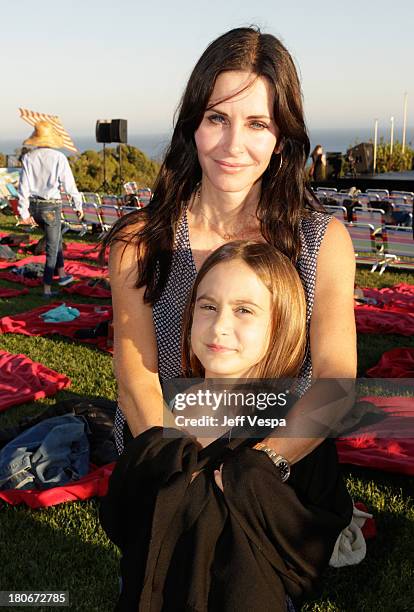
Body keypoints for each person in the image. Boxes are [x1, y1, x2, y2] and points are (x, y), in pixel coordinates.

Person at [102, 24, 356, 605]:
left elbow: (336, 380)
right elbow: (136, 376)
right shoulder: (142, 241)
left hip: (276, 467)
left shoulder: (322, 241)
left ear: (283, 137)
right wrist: (187, 471)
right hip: (168, 453)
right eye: (217, 118)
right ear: (192, 123)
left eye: (257, 123)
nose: (231, 144)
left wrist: (255, 470)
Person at [101, 241, 354, 611]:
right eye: (207, 306)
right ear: (189, 316)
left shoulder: (291, 431)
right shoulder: (162, 421)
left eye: (244, 311)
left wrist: (253, 483)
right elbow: (121, 520)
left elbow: (308, 551)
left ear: (280, 324)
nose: (219, 326)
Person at [17, 121, 84, 297]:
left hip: (34, 207)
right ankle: (47, 288)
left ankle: (61, 275)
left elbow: (23, 187)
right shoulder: (58, 157)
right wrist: (78, 205)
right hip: (51, 207)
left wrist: (24, 212)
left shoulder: (28, 158)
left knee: (56, 238)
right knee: (52, 248)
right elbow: (69, 185)